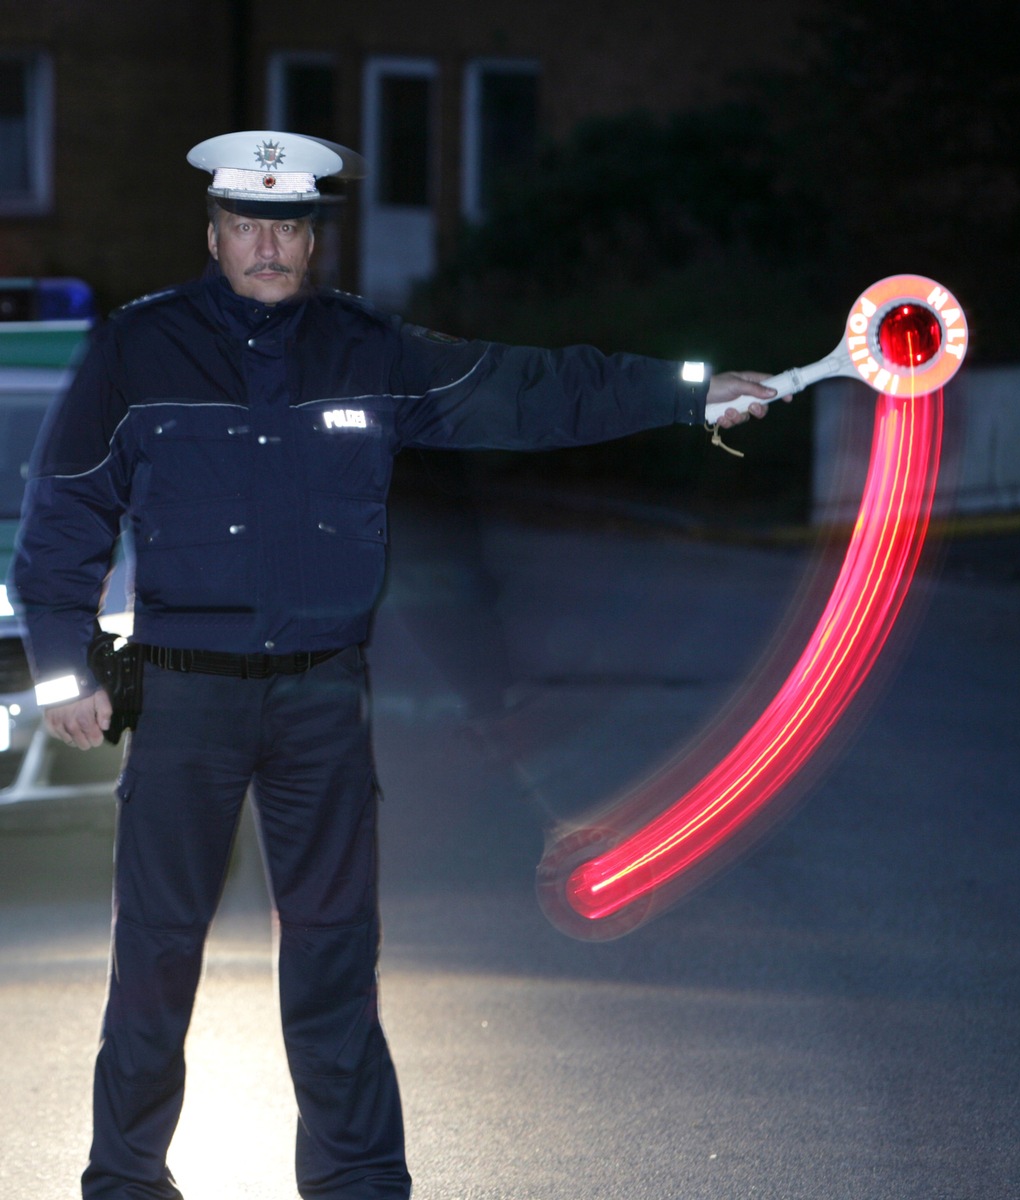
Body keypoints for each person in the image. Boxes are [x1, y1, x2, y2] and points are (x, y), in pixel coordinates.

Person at [10, 130, 782, 1200]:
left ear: (316, 238)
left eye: (289, 224)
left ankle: (360, 1183)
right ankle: (125, 1181)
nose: (268, 243)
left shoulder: (370, 350)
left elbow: (529, 390)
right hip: (184, 695)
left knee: (333, 957)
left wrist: (687, 394)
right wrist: (63, 660)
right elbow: (64, 508)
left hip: (324, 697)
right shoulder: (138, 351)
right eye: (248, 222)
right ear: (214, 231)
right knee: (155, 952)